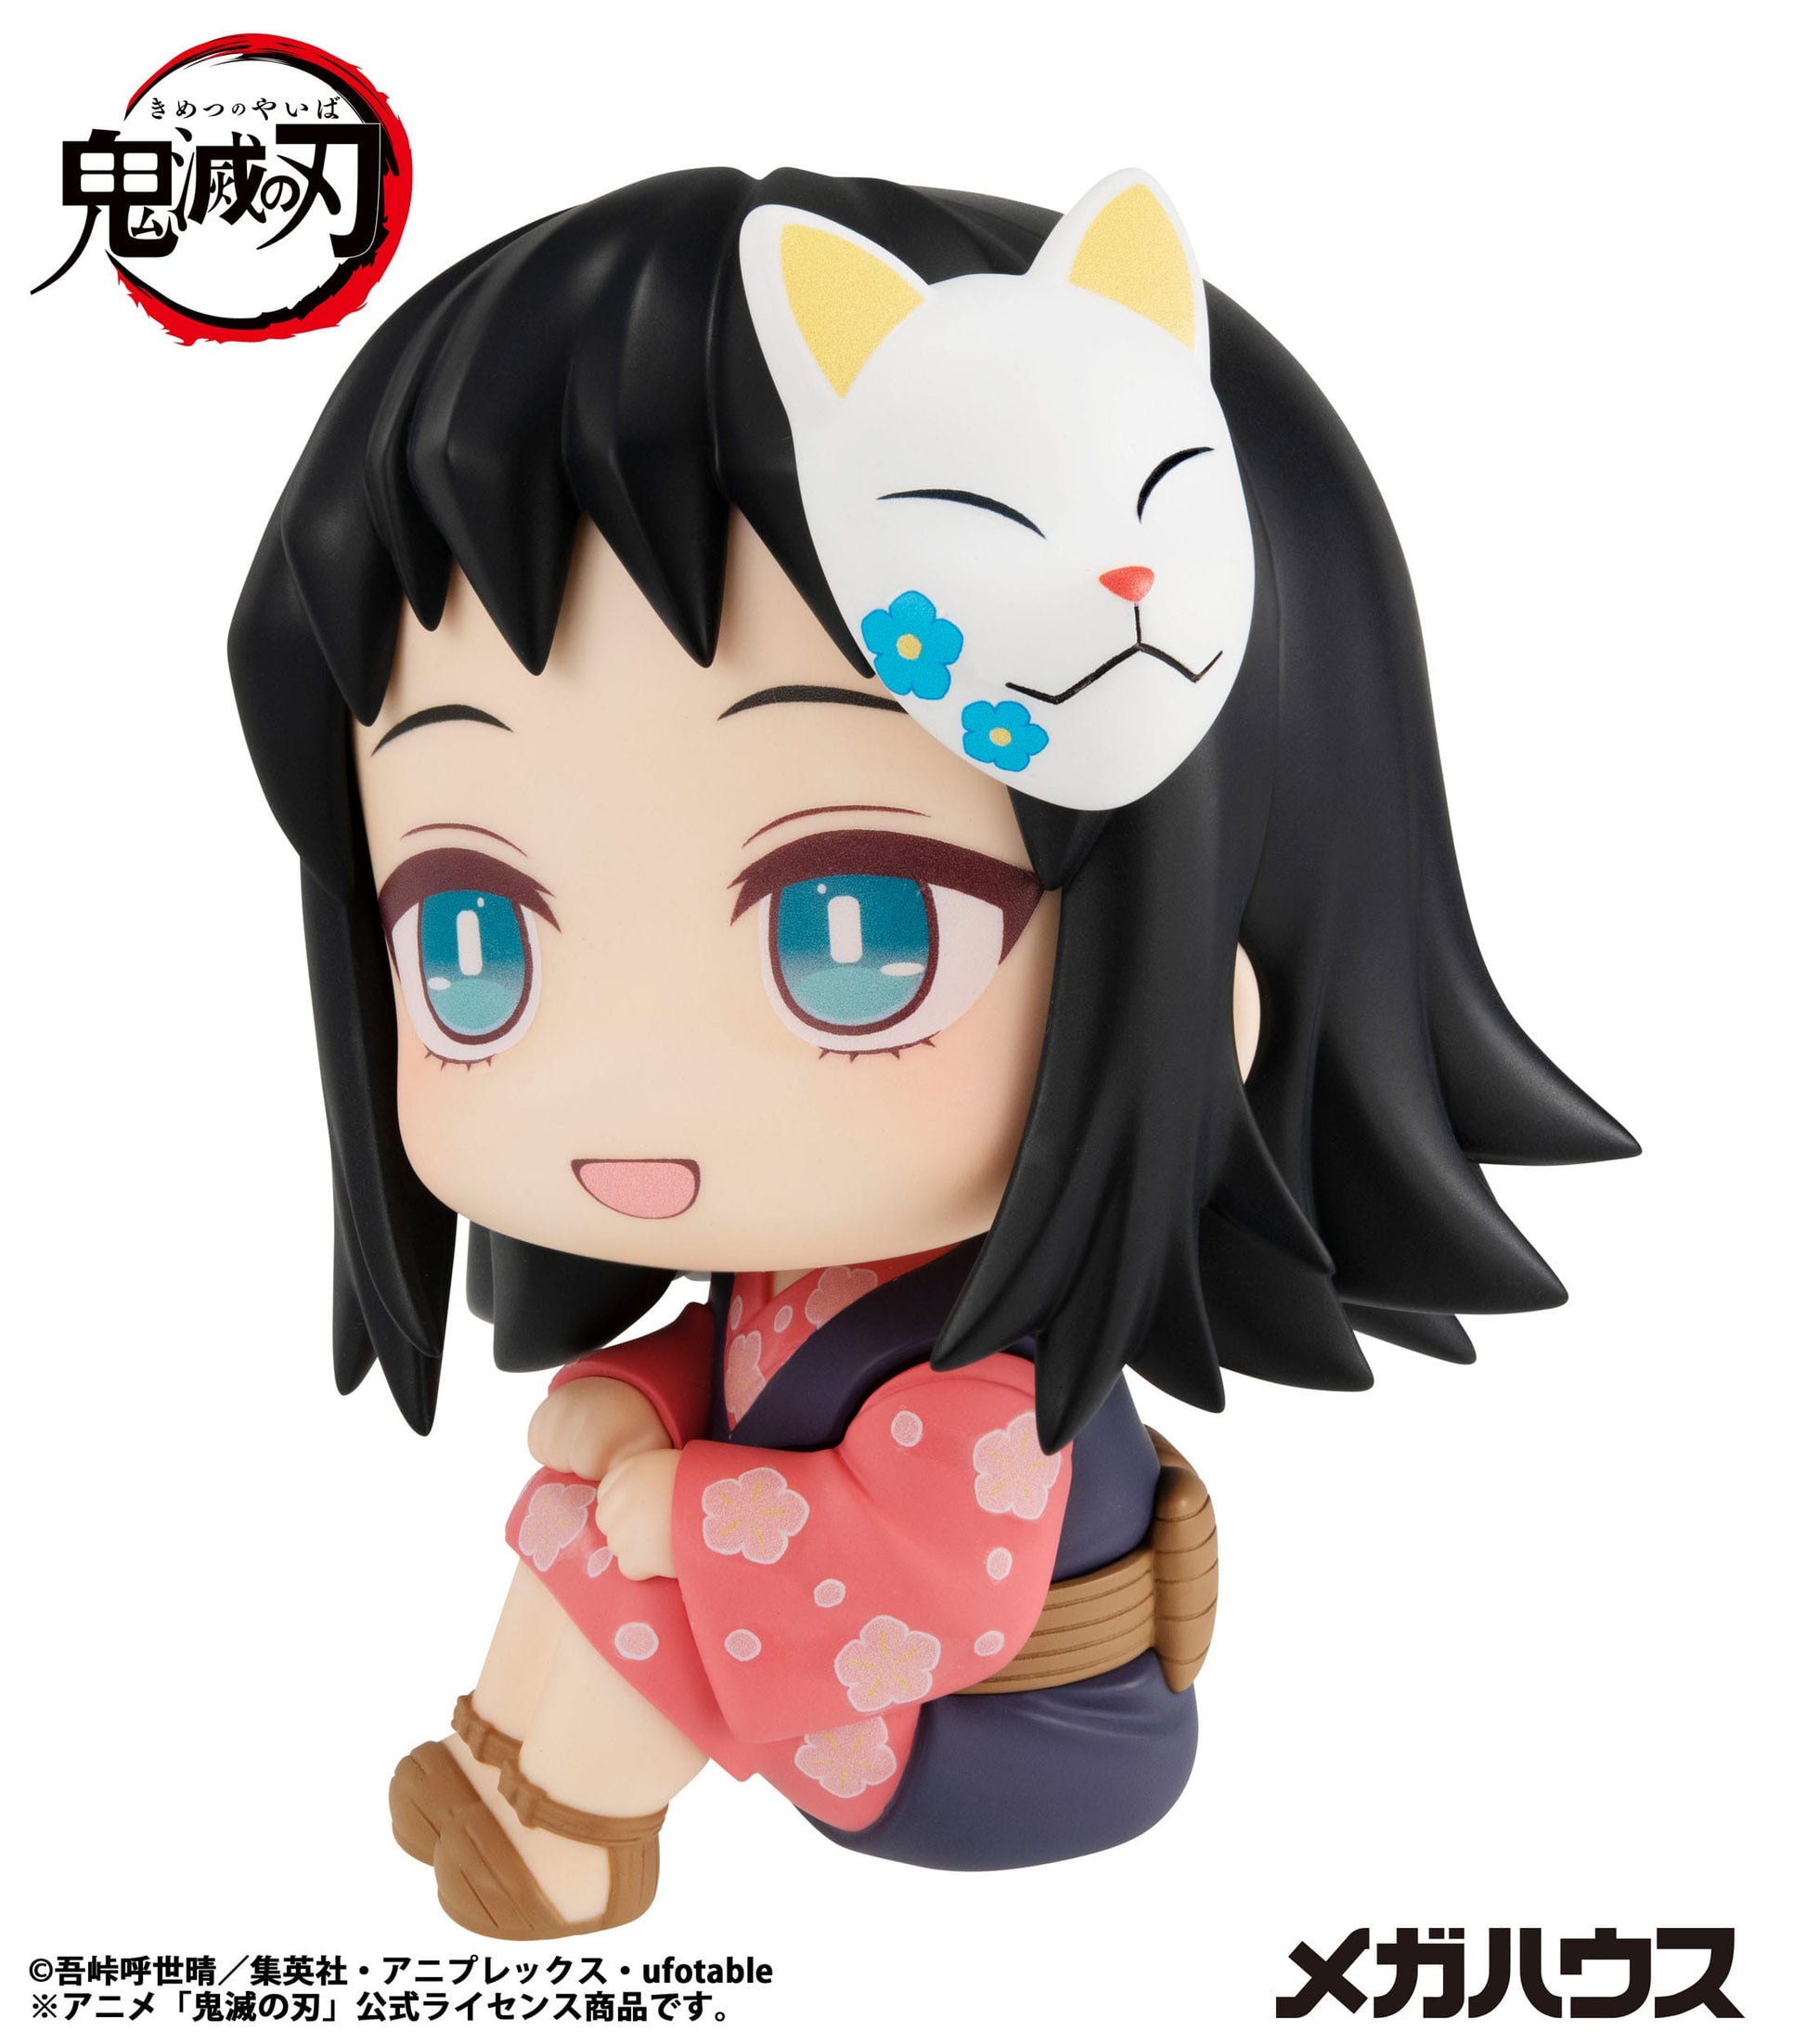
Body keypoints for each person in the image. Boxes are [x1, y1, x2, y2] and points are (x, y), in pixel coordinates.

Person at [229, 165, 1633, 1936]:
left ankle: (565, 1822)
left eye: (857, 930)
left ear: (1214, 965)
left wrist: (687, 1501)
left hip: (1008, 1733)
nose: (631, 1075)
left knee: (629, 1571)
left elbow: (941, 1575)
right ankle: (509, 1764)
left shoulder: (999, 1375)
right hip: (872, 1675)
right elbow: (767, 1376)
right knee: (599, 1523)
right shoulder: (839, 1271)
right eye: (472, 942)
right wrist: (656, 1393)